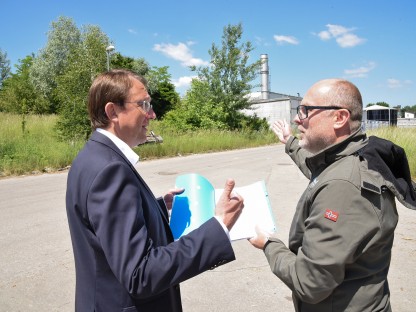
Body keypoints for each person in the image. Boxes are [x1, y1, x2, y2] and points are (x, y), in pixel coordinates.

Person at [66, 69, 244, 312]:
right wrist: (219, 225)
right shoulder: (111, 170)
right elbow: (140, 274)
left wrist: (157, 207)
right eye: (144, 104)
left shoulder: (92, 156)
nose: (152, 113)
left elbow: (102, 224)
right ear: (113, 111)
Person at [249, 78, 416, 312]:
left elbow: (310, 282)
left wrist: (268, 244)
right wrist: (289, 142)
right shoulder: (355, 155)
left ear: (339, 118)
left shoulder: (343, 186)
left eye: (306, 110)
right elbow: (317, 168)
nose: (298, 118)